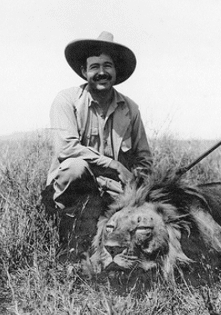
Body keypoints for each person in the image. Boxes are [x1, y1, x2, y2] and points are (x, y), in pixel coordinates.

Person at [42, 31, 152, 213]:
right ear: (84, 72)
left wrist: (137, 180)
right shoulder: (66, 100)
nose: (102, 72)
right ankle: (63, 219)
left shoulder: (131, 109)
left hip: (117, 193)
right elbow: (67, 148)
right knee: (74, 167)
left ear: (116, 70)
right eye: (94, 67)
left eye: (107, 66)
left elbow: (144, 158)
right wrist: (114, 165)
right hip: (76, 190)